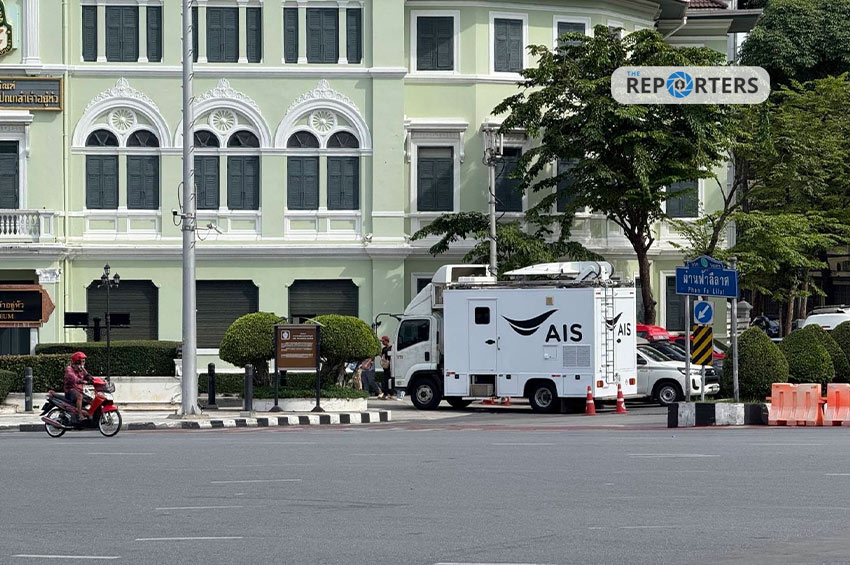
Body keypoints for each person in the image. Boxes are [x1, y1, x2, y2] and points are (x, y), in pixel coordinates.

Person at [64, 351, 92, 422]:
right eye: (82, 361)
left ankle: (89, 415)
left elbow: (87, 375)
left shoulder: (82, 369)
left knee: (90, 399)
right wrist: (81, 381)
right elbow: (72, 378)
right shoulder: (69, 369)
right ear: (77, 362)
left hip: (79, 390)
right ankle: (80, 415)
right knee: (80, 396)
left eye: (84, 361)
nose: (83, 363)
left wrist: (92, 379)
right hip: (70, 390)